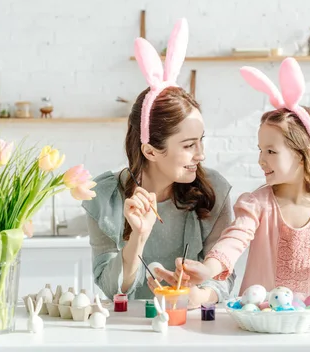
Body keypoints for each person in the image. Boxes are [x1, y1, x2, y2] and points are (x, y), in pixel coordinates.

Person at [82, 18, 235, 308]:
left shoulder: (215, 190)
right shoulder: (103, 197)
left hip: (196, 327)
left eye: (201, 140)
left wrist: (197, 295)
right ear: (151, 151)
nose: (201, 154)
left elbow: (224, 275)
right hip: (130, 332)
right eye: (189, 145)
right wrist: (137, 237)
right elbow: (111, 290)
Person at [175, 58, 310, 296]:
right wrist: (208, 269)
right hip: (258, 321)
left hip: (309, 323)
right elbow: (234, 239)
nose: (261, 160)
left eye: (271, 151)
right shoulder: (257, 205)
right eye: (260, 150)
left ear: (304, 155)